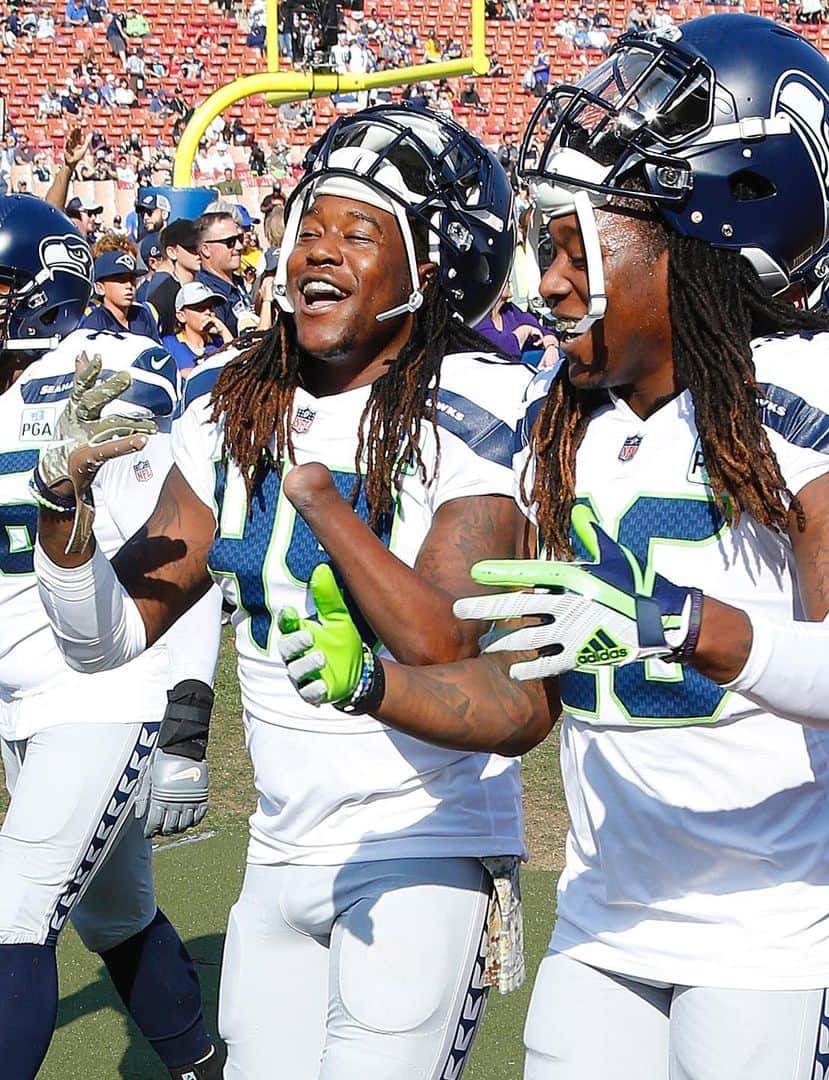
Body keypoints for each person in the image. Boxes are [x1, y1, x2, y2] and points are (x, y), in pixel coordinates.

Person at [280, 18, 829, 1079]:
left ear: (704, 235)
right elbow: (519, 704)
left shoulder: (801, 400)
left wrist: (679, 626)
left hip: (767, 925)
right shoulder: (562, 419)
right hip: (601, 916)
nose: (544, 282)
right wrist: (382, 690)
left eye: (572, 243)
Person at [32, 106, 527, 1080]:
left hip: (424, 847)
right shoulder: (238, 408)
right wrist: (65, 514)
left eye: (358, 231)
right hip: (280, 855)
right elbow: (106, 637)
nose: (317, 253)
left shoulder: (484, 407)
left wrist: (371, 684)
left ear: (434, 260)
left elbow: (505, 697)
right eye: (310, 226)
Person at [0, 194, 224, 1080]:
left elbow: (178, 536)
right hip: (23, 693)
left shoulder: (92, 369)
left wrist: (186, 718)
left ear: (39, 293)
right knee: (113, 917)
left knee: (13, 914)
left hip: (97, 691)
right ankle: (203, 1066)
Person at [193, 210, 254, 335]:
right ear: (206, 249)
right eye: (230, 242)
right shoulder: (207, 296)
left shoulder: (237, 282)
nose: (239, 247)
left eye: (240, 238)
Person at [80, 249, 162, 341]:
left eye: (132, 279)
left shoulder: (142, 314)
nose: (129, 285)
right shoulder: (94, 324)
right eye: (121, 280)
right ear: (100, 288)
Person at [162, 280, 233, 374]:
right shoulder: (169, 345)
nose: (208, 312)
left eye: (211, 308)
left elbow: (237, 364)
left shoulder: (219, 342)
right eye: (200, 308)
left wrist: (223, 331)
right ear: (181, 316)